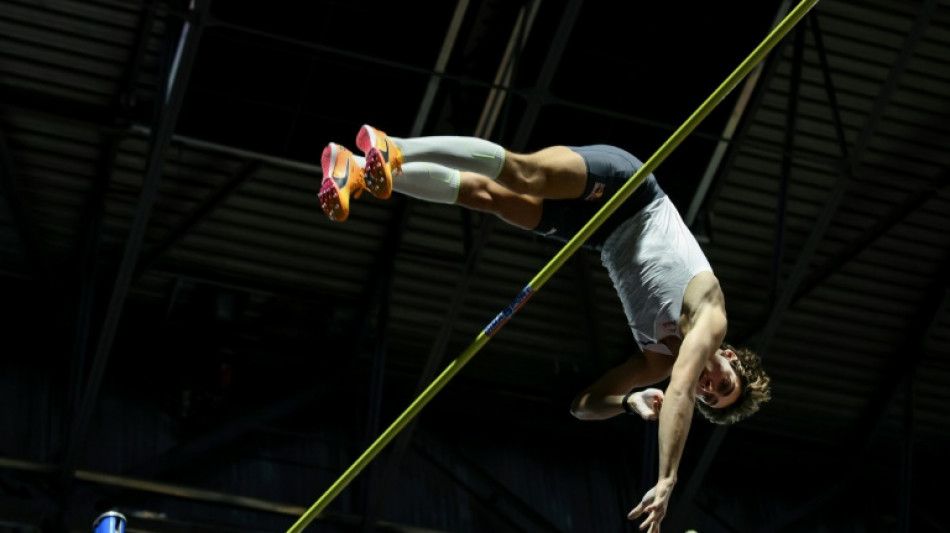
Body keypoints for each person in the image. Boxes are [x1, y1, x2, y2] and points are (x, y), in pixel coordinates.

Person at [317, 124, 772, 532]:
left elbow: (582, 407)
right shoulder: (711, 319)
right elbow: (680, 390)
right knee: (524, 174)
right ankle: (394, 147)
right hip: (629, 191)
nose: (708, 386)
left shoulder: (657, 361)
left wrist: (627, 403)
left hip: (597, 233)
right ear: (730, 357)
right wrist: (667, 478)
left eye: (710, 397)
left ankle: (354, 168)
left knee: (488, 196)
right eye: (722, 383)